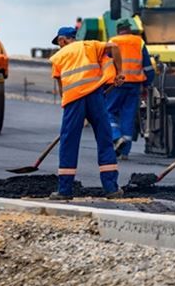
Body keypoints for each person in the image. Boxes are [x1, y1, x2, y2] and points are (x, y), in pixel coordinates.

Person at [49, 26, 126, 200]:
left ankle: (64, 190)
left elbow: (61, 89)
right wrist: (120, 72)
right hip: (95, 96)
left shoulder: (57, 57)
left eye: (59, 43)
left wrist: (72, 111)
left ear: (63, 40)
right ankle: (111, 188)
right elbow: (114, 47)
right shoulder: (89, 45)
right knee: (105, 139)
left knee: (69, 142)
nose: (59, 46)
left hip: (73, 100)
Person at [105, 21, 155, 160]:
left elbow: (105, 63)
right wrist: (147, 84)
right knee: (128, 115)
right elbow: (148, 67)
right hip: (134, 84)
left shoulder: (112, 41)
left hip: (116, 83)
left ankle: (116, 137)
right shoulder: (139, 42)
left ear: (118, 30)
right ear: (129, 29)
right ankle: (125, 152)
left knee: (108, 111)